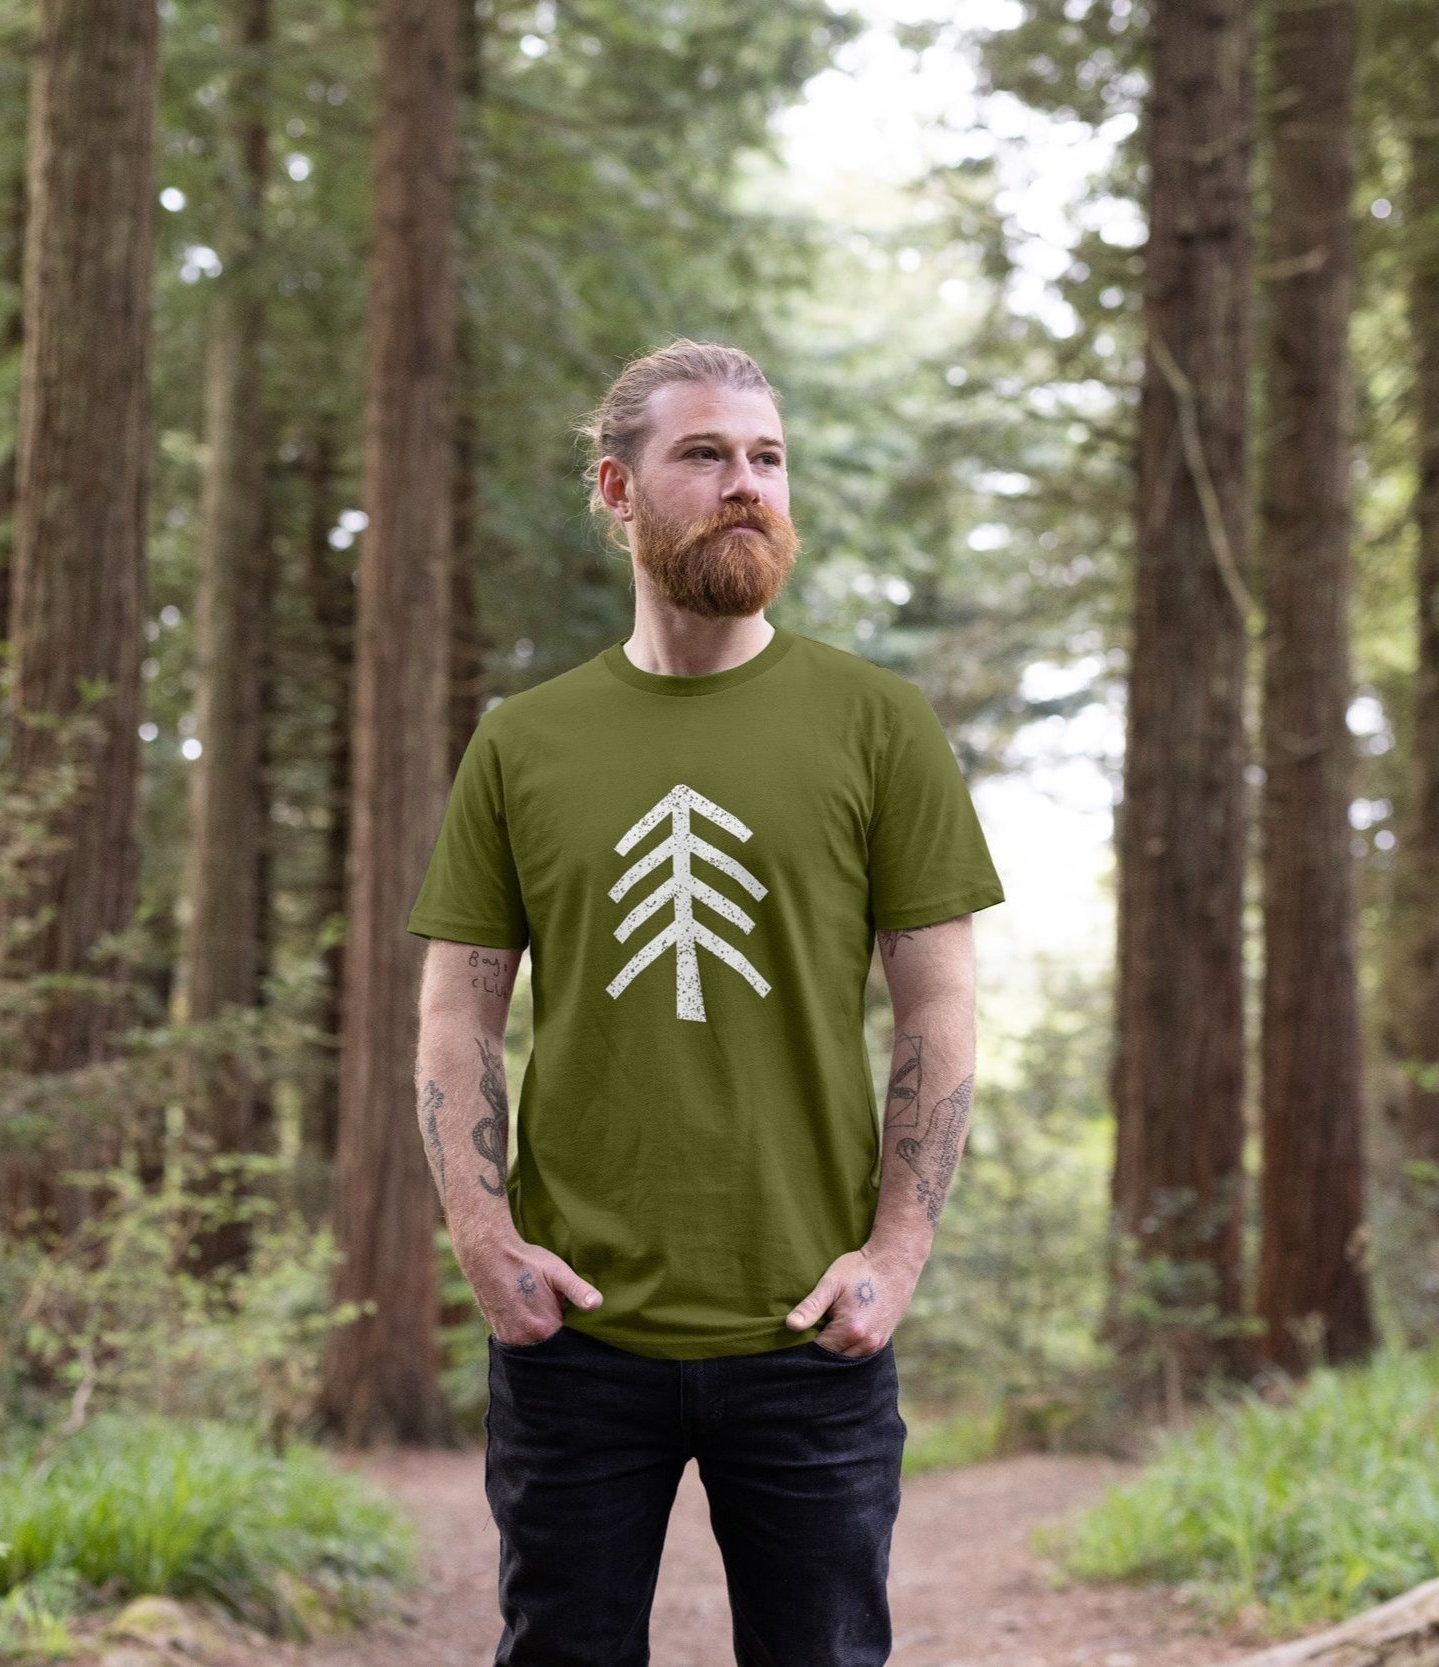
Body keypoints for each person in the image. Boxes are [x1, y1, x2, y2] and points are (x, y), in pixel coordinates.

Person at [406, 338, 1005, 1666]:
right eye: (707, 455)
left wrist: (895, 1257)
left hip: (812, 1331)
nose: (749, 485)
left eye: (769, 459)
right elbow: (458, 1011)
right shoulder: (525, 740)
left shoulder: (878, 722)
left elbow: (939, 1004)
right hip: (577, 1331)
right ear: (617, 491)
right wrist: (482, 1235)